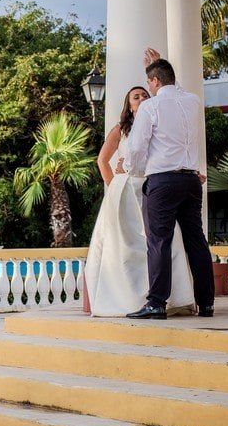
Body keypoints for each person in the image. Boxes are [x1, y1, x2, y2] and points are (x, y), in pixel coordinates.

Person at [83, 86, 195, 316]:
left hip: (153, 188)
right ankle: (125, 300)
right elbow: (102, 160)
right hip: (126, 192)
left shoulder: (157, 125)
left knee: (162, 243)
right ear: (130, 106)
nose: (142, 98)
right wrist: (114, 185)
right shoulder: (120, 130)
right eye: (136, 97)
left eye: (145, 95)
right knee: (125, 247)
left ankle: (167, 299)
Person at [123, 49, 216, 320]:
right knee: (196, 241)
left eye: (149, 83)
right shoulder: (192, 101)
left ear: (154, 82)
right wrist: (158, 65)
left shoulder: (151, 106)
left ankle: (156, 303)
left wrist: (133, 170)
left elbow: (137, 147)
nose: (149, 89)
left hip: (162, 181)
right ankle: (206, 303)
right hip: (191, 181)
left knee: (158, 242)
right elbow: (176, 89)